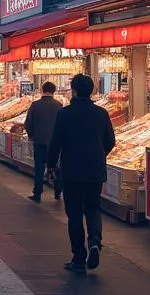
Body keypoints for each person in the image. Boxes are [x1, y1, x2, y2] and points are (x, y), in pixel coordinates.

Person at [47, 73, 116, 274]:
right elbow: (110, 141)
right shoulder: (101, 113)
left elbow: (55, 142)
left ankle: (78, 258)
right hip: (95, 170)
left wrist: (50, 165)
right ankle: (95, 242)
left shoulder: (64, 113)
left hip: (71, 171)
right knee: (93, 208)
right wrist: (98, 155)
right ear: (92, 91)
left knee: (74, 214)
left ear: (74, 90)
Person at [24, 81, 63, 202]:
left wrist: (31, 135)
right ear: (54, 91)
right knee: (56, 167)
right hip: (55, 143)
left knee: (39, 168)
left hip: (39, 141)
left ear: (42, 90)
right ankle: (57, 191)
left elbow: (28, 122)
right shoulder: (59, 105)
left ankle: (37, 193)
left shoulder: (35, 105)